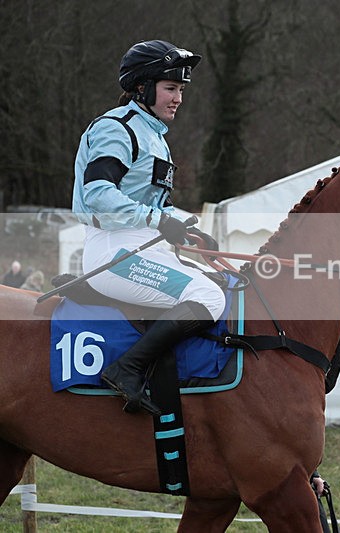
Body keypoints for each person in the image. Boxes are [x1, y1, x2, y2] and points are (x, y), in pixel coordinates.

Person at [71, 40, 225, 416]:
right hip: (113, 253)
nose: (178, 99)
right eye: (171, 88)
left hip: (143, 247)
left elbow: (153, 205)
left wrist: (185, 228)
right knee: (210, 299)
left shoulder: (155, 136)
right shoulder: (115, 127)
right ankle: (127, 369)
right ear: (142, 87)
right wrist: (160, 221)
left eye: (181, 90)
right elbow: (99, 194)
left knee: (223, 287)